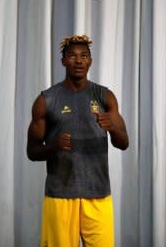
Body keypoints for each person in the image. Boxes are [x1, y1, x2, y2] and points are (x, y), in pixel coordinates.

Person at [26, 34, 129, 247]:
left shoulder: (105, 96)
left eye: (84, 55)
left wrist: (113, 129)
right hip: (61, 194)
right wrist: (53, 146)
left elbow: (123, 143)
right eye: (72, 56)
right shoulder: (47, 99)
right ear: (63, 61)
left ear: (91, 60)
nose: (79, 60)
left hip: (98, 193)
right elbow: (32, 151)